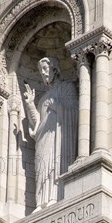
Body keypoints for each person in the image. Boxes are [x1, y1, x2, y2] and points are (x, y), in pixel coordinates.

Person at [23, 57, 78, 211]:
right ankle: (41, 202)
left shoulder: (67, 88)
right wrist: (29, 105)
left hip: (60, 137)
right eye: (41, 71)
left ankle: (55, 196)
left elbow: (75, 113)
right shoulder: (44, 99)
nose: (43, 73)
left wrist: (58, 107)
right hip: (43, 139)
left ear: (55, 69)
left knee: (55, 164)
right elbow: (37, 122)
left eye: (45, 69)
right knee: (42, 167)